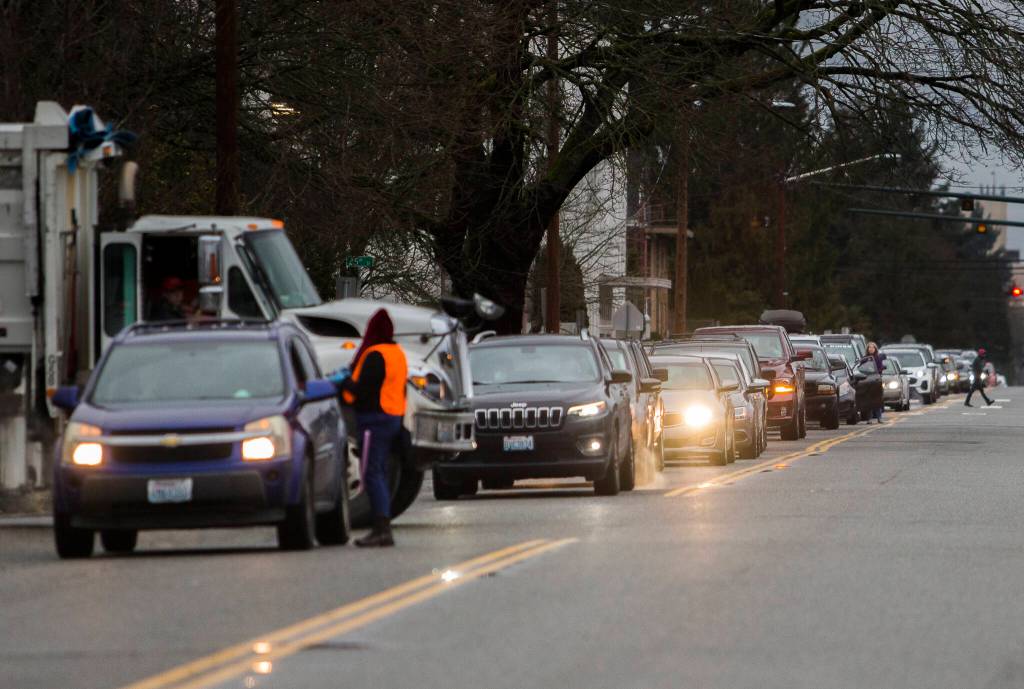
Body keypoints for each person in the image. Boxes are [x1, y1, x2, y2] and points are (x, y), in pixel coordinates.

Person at [331, 309, 407, 547]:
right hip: (394, 418)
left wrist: (343, 382)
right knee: (380, 472)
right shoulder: (398, 354)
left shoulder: (374, 355)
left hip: (374, 420)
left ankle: (382, 529)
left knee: (372, 474)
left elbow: (361, 391)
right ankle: (382, 527)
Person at [858, 342, 887, 423]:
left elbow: (881, 368)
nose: (871, 349)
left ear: (875, 349)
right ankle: (869, 418)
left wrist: (878, 371)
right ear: (867, 349)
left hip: (876, 380)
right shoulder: (864, 358)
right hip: (867, 380)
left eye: (873, 347)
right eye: (869, 347)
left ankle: (879, 417)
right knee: (868, 400)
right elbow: (860, 369)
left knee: (877, 399)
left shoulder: (877, 358)